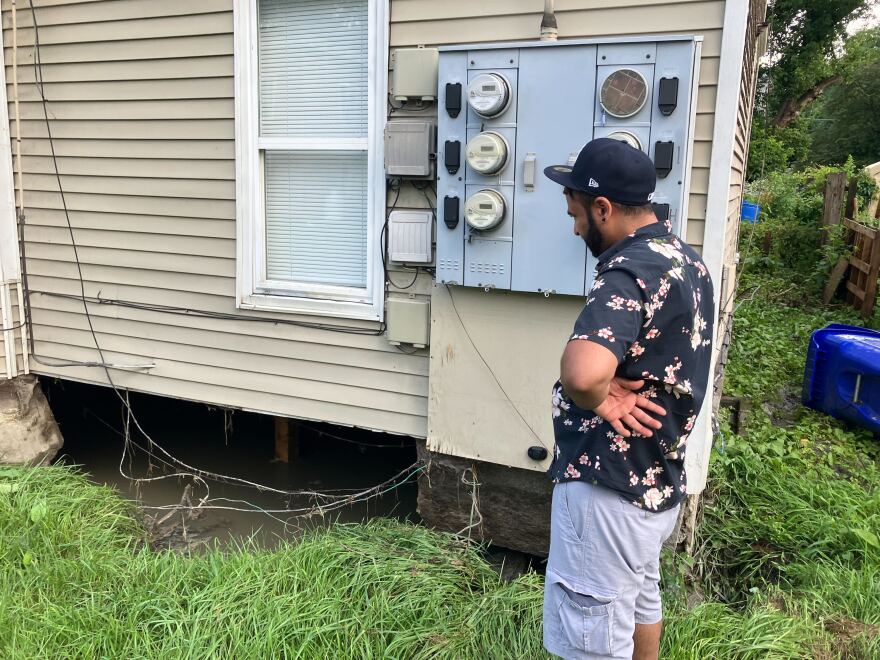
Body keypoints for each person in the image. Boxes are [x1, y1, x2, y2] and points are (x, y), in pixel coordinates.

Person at [541, 138, 715, 660]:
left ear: (603, 208)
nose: (575, 229)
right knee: (640, 600)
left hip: (606, 490)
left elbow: (583, 371)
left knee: (589, 637)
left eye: (577, 215)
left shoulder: (627, 271)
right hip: (656, 480)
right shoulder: (687, 262)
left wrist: (599, 399)